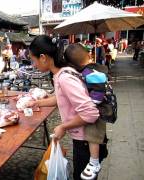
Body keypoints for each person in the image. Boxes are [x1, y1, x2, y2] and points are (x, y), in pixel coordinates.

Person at [26, 35, 107, 180]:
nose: (34, 65)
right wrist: (37, 103)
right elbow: (62, 99)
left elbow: (90, 113)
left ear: (43, 57)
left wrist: (63, 127)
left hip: (86, 142)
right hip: (83, 140)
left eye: (33, 60)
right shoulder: (61, 73)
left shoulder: (65, 78)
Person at [64, 43, 108, 180]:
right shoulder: (87, 71)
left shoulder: (90, 72)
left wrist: (93, 103)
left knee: (92, 134)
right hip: (99, 107)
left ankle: (94, 163)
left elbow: (100, 85)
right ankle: (94, 161)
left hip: (100, 108)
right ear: (89, 55)